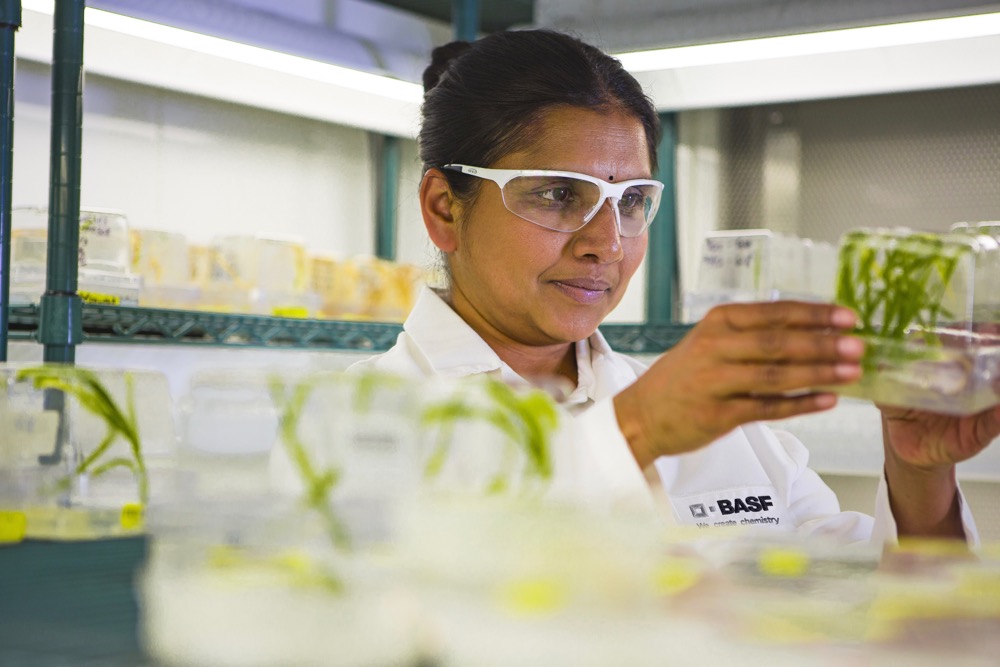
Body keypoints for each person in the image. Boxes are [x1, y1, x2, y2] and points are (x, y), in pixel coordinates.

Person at [354, 29, 999, 544]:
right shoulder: (352, 425)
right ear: (443, 207)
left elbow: (874, 622)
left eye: (631, 201)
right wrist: (637, 432)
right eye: (557, 194)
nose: (605, 243)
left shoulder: (724, 426)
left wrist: (919, 473)